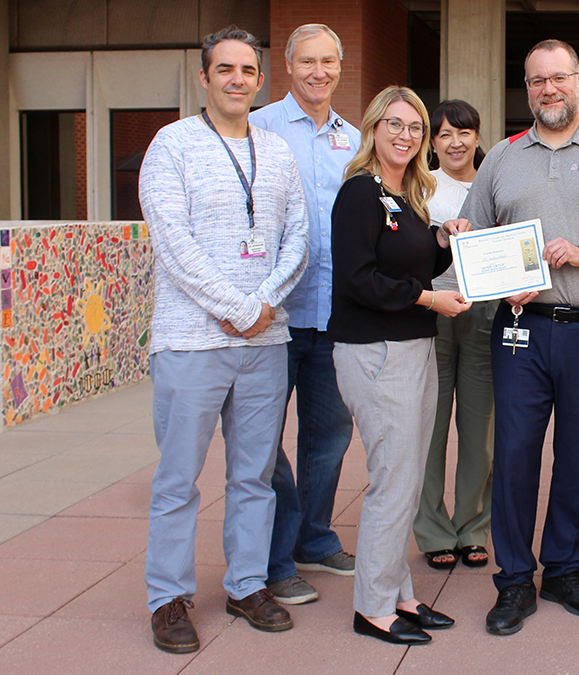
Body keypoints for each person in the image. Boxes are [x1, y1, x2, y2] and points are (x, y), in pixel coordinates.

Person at [450, 39, 579, 636]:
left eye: (558, 78)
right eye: (537, 80)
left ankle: (564, 567)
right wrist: (481, 256)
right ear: (528, 87)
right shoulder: (503, 157)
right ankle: (514, 579)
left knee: (577, 456)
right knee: (515, 455)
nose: (548, 89)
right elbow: (477, 238)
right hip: (520, 331)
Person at [139, 26, 308, 653]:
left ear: (261, 78)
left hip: (266, 342)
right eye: (225, 69)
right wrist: (239, 306)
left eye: (248, 70)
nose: (238, 79)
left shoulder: (277, 149)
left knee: (255, 476)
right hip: (191, 342)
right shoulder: (171, 145)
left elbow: (298, 237)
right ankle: (168, 598)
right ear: (205, 77)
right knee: (178, 479)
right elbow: (173, 244)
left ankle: (245, 585)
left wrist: (263, 306)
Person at [328, 85, 471, 645]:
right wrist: (430, 299)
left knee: (407, 476)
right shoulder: (359, 194)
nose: (407, 135)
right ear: (373, 129)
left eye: (415, 127)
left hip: (414, 347)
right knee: (393, 479)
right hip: (376, 351)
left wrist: (445, 238)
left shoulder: (405, 194)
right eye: (396, 124)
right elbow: (359, 280)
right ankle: (372, 609)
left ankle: (400, 596)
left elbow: (417, 258)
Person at [248, 22, 360, 605]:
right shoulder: (259, 128)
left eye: (329, 62)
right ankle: (275, 553)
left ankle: (315, 537)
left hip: (334, 314)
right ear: (288, 67)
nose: (319, 72)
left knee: (331, 436)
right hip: (273, 317)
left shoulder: (355, 139)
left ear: (340, 68)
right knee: (263, 443)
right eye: (308, 61)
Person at [414, 99, 496, 571]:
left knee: (480, 429)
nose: (455, 142)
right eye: (444, 134)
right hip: (433, 312)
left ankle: (472, 527)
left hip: (483, 312)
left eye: (463, 132)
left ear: (477, 136)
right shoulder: (419, 185)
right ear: (433, 141)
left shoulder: (493, 183)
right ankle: (432, 529)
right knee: (430, 427)